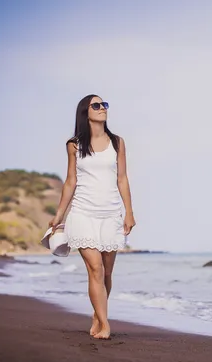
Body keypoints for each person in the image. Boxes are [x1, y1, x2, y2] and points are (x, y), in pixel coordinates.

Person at [49, 94, 136, 339]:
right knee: (95, 269)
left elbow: (122, 179)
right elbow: (70, 182)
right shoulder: (74, 145)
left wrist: (129, 212)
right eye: (96, 105)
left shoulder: (118, 142)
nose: (102, 109)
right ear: (85, 112)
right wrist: (59, 215)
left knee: (107, 273)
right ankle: (106, 326)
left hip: (110, 214)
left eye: (104, 105)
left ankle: (98, 316)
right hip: (83, 213)